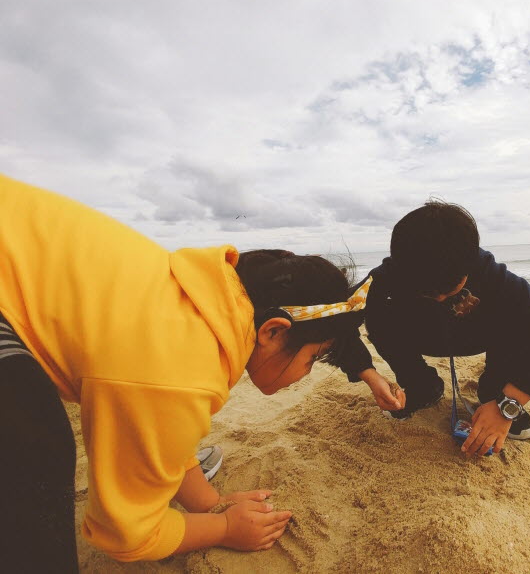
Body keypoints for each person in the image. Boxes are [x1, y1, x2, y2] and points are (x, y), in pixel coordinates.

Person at [0, 174, 370, 571]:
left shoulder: (195, 300)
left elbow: (158, 433)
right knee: (33, 444)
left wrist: (209, 505)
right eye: (313, 357)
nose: (306, 372)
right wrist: (224, 528)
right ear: (274, 331)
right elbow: (125, 534)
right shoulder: (177, 370)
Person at [338, 201, 530, 457]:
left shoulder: (490, 274)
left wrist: (509, 405)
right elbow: (336, 326)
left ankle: (494, 393)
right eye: (427, 292)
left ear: (469, 266)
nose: (439, 299)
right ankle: (421, 386)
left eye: (449, 290)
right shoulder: (384, 278)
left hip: (480, 335)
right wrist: (371, 376)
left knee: (517, 319)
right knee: (378, 314)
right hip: (418, 336)